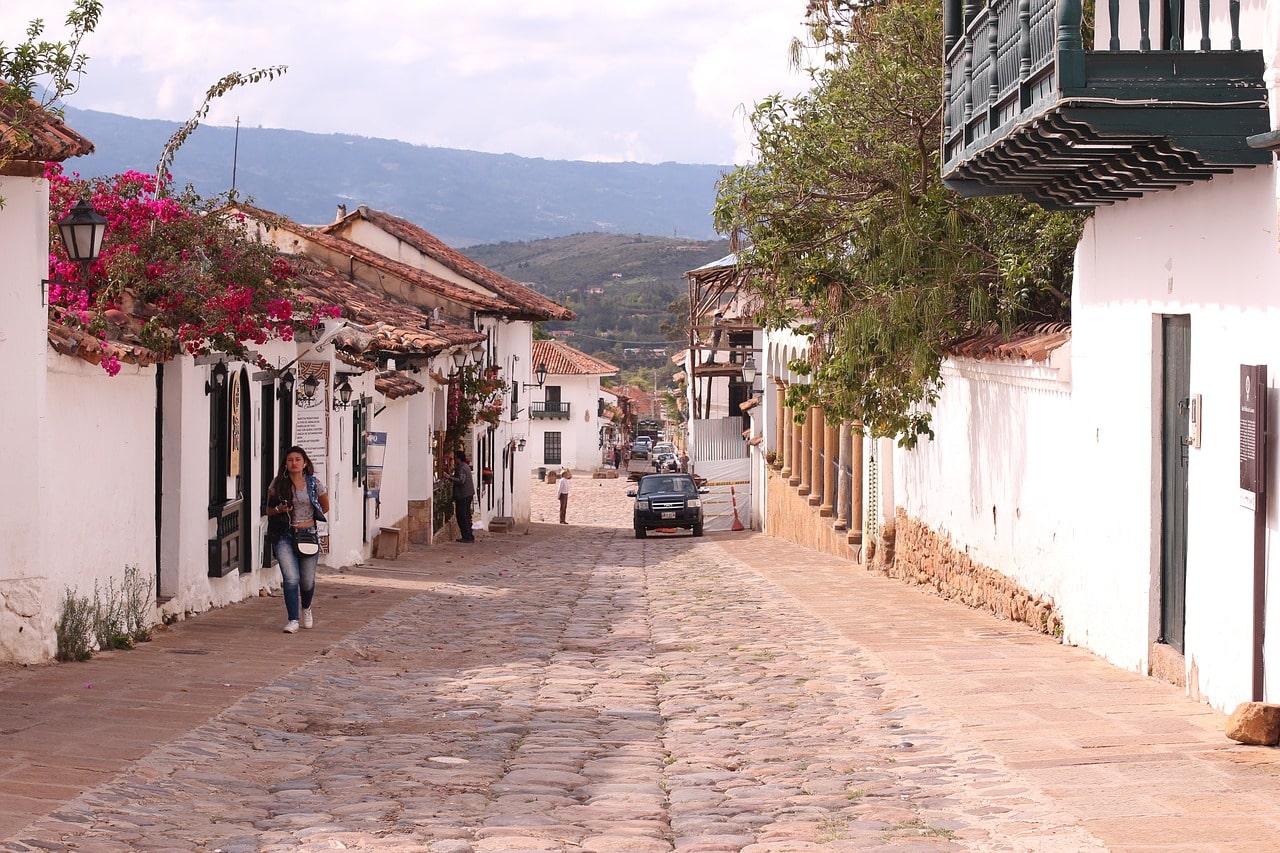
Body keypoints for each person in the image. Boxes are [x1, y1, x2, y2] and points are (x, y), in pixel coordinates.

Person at [266, 446, 330, 634]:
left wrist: (308, 519)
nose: (294, 463)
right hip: (284, 535)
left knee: (307, 581)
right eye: (290, 460)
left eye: (297, 459)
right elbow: (268, 510)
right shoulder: (278, 484)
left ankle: (307, 608)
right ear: (285, 464)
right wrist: (279, 509)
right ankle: (293, 619)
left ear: (304, 463)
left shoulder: (313, 483)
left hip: (307, 535)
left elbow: (324, 506)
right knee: (291, 578)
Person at [451, 450, 476, 542]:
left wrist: (449, 477)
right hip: (468, 494)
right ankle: (469, 535)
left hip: (463, 495)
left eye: (455, 458)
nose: (454, 460)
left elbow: (461, 481)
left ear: (458, 458)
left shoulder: (461, 467)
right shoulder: (466, 466)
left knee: (462, 515)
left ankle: (467, 536)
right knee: (466, 515)